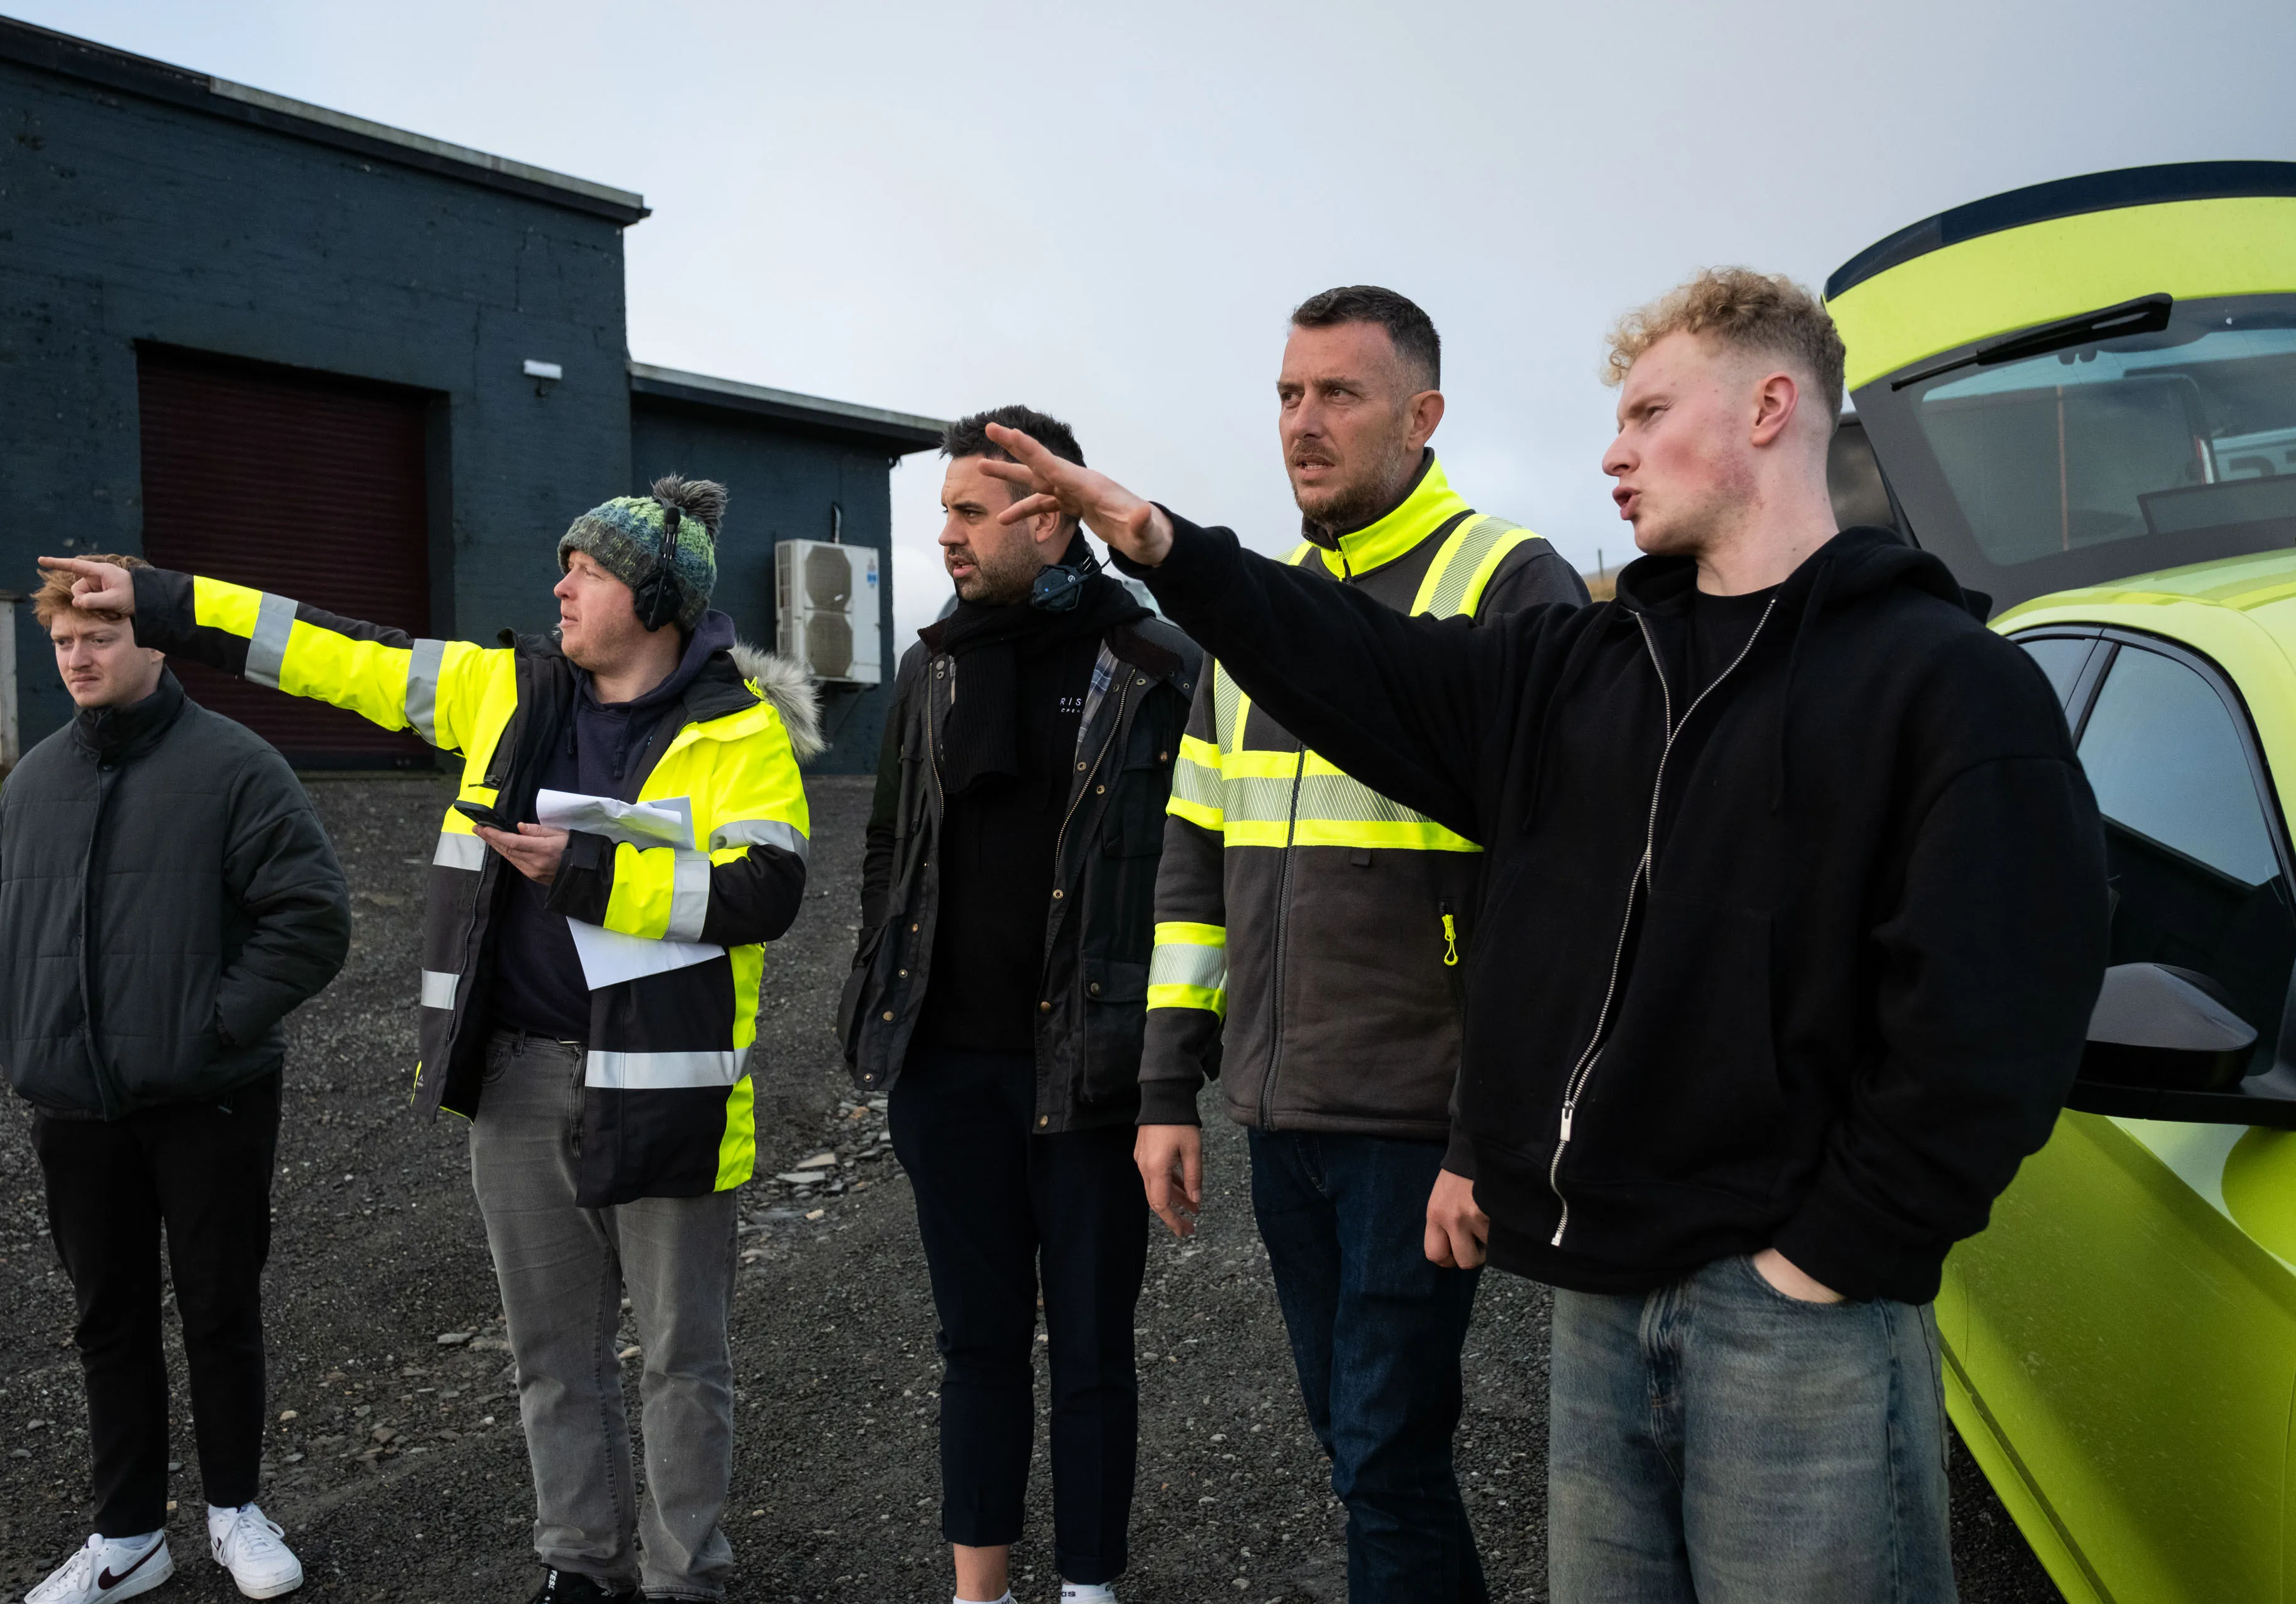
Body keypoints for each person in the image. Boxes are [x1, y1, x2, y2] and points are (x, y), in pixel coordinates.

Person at [976, 268, 2112, 1603]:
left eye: (1645, 412)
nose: (1612, 451)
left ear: (1769, 406)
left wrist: (1833, 1254)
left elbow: (2003, 1006)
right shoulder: (1585, 668)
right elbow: (1364, 661)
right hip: (1599, 1288)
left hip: (1794, 1313)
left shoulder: (1948, 683)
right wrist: (1167, 545)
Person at [39, 475, 819, 1604]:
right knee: (553, 1359)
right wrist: (161, 600)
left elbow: (770, 891)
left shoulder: (739, 735)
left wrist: (591, 872)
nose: (560, 585)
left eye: (587, 571)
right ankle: (580, 1567)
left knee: (683, 1364)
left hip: (668, 1092)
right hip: (513, 1074)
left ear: (653, 601)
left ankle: (685, 1576)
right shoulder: (499, 690)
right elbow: (330, 650)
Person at [1133, 285, 1584, 1602]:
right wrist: (1172, 1084)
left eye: (1341, 394)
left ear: (1423, 414)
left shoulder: (1508, 578)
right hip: (1286, 1107)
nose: (1303, 423)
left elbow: (1546, 879)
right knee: (1356, 1441)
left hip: (1412, 1115)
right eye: (1287, 393)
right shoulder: (1255, 611)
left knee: (1385, 1451)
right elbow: (1194, 850)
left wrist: (1481, 1132)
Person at [843, 407, 1195, 1604]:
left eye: (966, 512)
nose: (943, 536)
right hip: (946, 1071)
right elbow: (893, 844)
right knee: (976, 1346)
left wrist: (1167, 1071)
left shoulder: (1151, 667)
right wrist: (879, 988)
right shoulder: (932, 667)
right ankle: (976, 1591)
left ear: (1046, 521)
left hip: (1089, 1074)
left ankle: (1089, 1589)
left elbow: (1193, 870)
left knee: (1094, 1352)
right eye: (943, 509)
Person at [0, 555, 349, 1603]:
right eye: (64, 643)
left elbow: (311, 919)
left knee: (219, 1306)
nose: (79, 657)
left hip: (208, 1097)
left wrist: (207, 1029)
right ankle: (127, 1539)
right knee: (109, 1319)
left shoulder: (236, 767)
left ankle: (236, 1513)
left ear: (151, 640)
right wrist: (10, 1024)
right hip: (76, 1105)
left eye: (99, 636)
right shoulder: (39, 775)